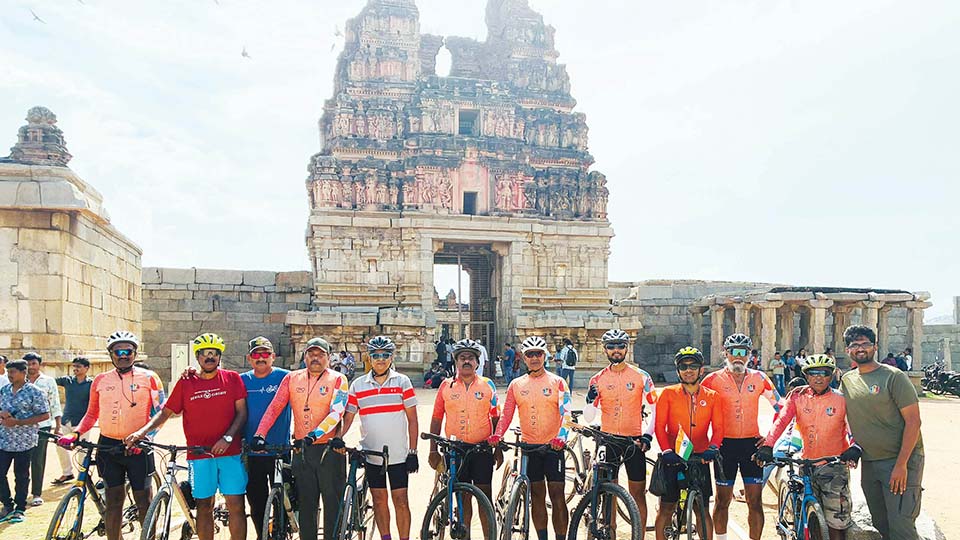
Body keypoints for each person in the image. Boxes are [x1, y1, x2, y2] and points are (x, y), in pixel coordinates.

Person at [127, 333, 248, 540]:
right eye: (204, 354)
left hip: (230, 452)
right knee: (203, 505)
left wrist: (227, 438)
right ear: (197, 357)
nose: (209, 357)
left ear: (219, 357)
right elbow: (165, 412)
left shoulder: (232, 378)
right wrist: (142, 432)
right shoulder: (186, 382)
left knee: (235, 504)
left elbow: (242, 413)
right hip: (198, 455)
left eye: (213, 353)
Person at [60, 331, 165, 540]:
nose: (123, 355)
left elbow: (162, 411)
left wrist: (146, 436)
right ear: (111, 354)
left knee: (143, 500)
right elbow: (91, 414)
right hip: (108, 447)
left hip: (139, 446)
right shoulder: (100, 380)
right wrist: (76, 433)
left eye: (128, 351)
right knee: (113, 501)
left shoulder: (150, 378)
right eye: (118, 351)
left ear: (135, 353)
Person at [756, 354, 862, 540]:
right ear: (806, 375)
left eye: (824, 373)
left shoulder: (842, 399)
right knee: (809, 520)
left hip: (834, 465)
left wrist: (854, 446)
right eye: (813, 373)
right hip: (807, 464)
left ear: (832, 375)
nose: (818, 377)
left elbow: (852, 427)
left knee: (837, 522)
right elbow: (781, 422)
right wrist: (768, 445)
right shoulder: (797, 397)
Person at [253, 336, 348, 540]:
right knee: (306, 506)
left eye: (320, 354)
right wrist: (260, 434)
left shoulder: (338, 379)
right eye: (311, 354)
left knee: (332, 505)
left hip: (328, 450)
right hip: (302, 451)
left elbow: (337, 411)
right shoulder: (292, 378)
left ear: (329, 358)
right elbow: (275, 407)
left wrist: (314, 435)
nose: (315, 358)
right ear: (304, 357)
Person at [841, 325, 924, 540]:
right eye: (855, 345)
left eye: (866, 344)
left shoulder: (894, 377)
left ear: (875, 346)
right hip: (869, 463)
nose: (861, 348)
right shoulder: (847, 380)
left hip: (899, 461)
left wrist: (901, 464)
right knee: (881, 523)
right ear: (848, 350)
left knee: (901, 526)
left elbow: (914, 422)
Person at [488, 336, 571, 540]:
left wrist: (561, 437)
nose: (534, 358)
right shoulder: (516, 384)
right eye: (530, 354)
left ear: (545, 356)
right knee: (537, 496)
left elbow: (566, 414)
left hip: (553, 448)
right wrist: (498, 434)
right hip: (530, 448)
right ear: (524, 358)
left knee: (558, 496)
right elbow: (507, 414)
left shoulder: (558, 382)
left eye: (538, 354)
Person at [701, 333, 782, 540]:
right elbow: (698, 409)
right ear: (725, 353)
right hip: (724, 446)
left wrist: (770, 439)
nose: (738, 357)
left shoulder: (760, 378)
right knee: (722, 501)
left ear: (749, 355)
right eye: (734, 352)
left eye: (743, 352)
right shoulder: (712, 380)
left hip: (751, 445)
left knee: (755, 501)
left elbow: (780, 408)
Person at [341, 336, 419, 540]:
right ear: (369, 357)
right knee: (379, 498)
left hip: (399, 454)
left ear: (392, 357)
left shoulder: (403, 381)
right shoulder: (358, 385)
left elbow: (412, 420)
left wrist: (413, 451)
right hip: (372, 453)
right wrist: (339, 437)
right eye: (376, 355)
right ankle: (386, 537)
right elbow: (349, 417)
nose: (381, 359)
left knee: (401, 500)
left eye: (385, 355)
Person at [584, 329, 657, 536]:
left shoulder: (642, 376)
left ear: (627, 348)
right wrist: (590, 400)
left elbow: (655, 409)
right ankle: (611, 531)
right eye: (611, 346)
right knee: (609, 493)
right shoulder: (597, 379)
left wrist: (648, 435)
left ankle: (639, 535)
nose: (616, 350)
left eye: (620, 346)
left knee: (637, 493)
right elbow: (589, 417)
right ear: (604, 349)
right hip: (608, 440)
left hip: (634, 440)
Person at [428, 339, 502, 539]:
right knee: (463, 497)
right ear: (456, 362)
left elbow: (496, 417)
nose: (466, 361)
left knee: (484, 496)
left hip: (482, 449)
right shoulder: (446, 385)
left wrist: (498, 447)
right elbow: (436, 418)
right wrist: (432, 451)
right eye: (462, 358)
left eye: (471, 357)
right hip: (455, 449)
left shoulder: (488, 385)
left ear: (478, 362)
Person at [654, 347, 723, 540]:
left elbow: (718, 429)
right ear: (678, 371)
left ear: (702, 369)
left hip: (700, 456)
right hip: (673, 456)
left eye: (693, 366)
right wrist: (666, 450)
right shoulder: (667, 394)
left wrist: (713, 448)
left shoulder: (712, 396)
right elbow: (660, 426)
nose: (688, 370)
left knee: (702, 509)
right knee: (667, 508)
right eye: (683, 366)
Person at [241, 337, 292, 540]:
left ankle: (282, 531)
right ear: (249, 358)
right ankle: (262, 535)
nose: (261, 358)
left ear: (273, 357)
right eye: (256, 354)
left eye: (265, 354)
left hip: (280, 450)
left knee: (284, 498)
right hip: (252, 451)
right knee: (256, 500)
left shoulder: (286, 377)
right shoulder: (242, 380)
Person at [0, 359, 50, 524]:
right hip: (4, 440)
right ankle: (7, 504)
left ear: (23, 372)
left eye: (13, 372)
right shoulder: (4, 390)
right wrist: (3, 414)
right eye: (8, 372)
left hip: (24, 441)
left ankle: (20, 507)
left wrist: (18, 422)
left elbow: (44, 415)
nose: (10, 375)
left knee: (21, 475)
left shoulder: (35, 392)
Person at [23, 352, 61, 506]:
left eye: (33, 364)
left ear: (39, 364)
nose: (31, 367)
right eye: (28, 364)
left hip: (42, 427)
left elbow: (55, 404)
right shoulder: (18, 381)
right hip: (22, 428)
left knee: (38, 461)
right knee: (22, 461)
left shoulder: (48, 381)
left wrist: (58, 427)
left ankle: (36, 493)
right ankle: (21, 494)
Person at [51, 357, 92, 485]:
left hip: (82, 422)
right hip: (66, 420)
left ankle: (82, 475)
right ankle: (67, 473)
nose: (75, 369)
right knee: (60, 446)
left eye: (78, 366)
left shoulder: (91, 384)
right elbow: (49, 382)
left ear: (86, 368)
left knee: (82, 449)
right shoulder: (67, 381)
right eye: (74, 366)